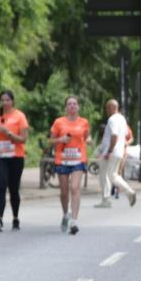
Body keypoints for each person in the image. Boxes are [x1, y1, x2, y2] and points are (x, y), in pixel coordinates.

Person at [0, 90, 29, 231]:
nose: (4, 102)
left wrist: (9, 134)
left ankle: (15, 217)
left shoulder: (20, 116)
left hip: (16, 156)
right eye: (2, 100)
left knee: (14, 188)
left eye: (7, 100)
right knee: (2, 185)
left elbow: (23, 139)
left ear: (12, 101)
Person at [49, 95, 90, 235]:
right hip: (62, 159)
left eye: (74, 104)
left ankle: (74, 220)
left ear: (78, 107)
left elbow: (86, 136)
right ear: (66, 107)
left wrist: (89, 140)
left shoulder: (84, 122)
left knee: (75, 188)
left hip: (78, 159)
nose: (72, 106)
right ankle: (66, 214)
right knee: (64, 191)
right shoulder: (58, 122)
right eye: (69, 104)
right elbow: (51, 140)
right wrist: (61, 139)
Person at [94, 99, 137, 208]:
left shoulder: (112, 119)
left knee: (104, 175)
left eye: (107, 108)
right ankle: (129, 191)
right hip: (119, 151)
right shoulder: (122, 119)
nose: (106, 110)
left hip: (110, 151)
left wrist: (109, 150)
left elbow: (114, 135)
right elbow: (126, 134)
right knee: (113, 175)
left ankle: (106, 200)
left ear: (112, 108)